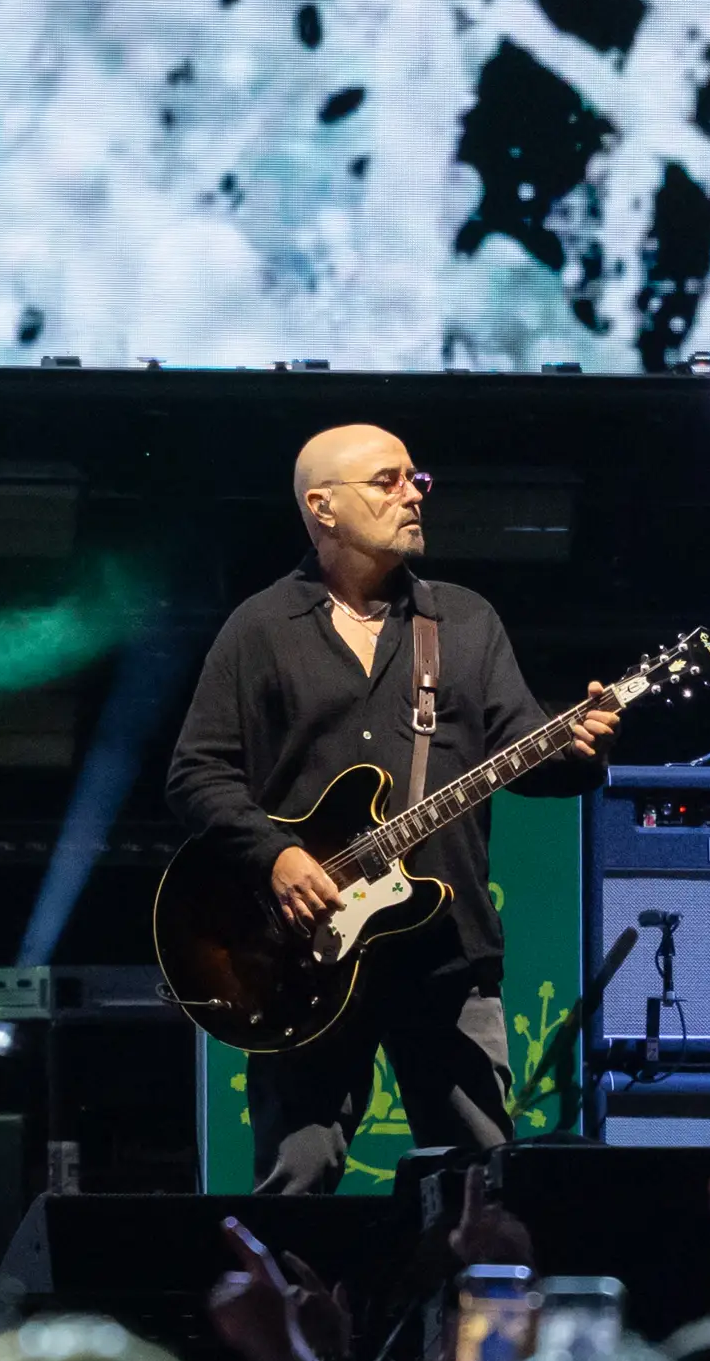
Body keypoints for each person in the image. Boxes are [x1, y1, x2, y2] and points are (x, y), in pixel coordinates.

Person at [166, 423, 618, 1193]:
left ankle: (467, 1317)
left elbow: (522, 759)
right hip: (303, 957)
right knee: (297, 1173)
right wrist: (276, 855)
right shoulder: (260, 629)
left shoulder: (465, 621)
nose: (414, 494)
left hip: (446, 948)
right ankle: (297, 1315)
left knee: (479, 1181)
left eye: (416, 479)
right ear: (323, 507)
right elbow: (196, 773)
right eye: (388, 480)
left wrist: (577, 751)